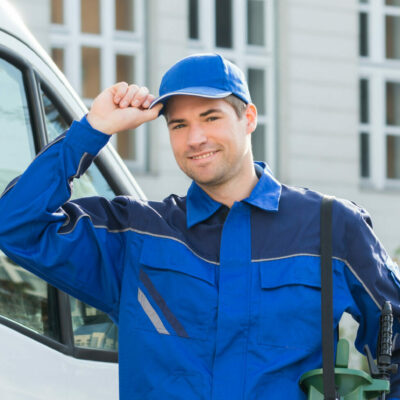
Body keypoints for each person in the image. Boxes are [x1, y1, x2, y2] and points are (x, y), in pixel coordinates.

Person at [0, 53, 399, 400]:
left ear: (248, 118)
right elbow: (16, 224)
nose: (196, 138)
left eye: (211, 117)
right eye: (179, 125)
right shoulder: (137, 235)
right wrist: (93, 129)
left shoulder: (330, 227)